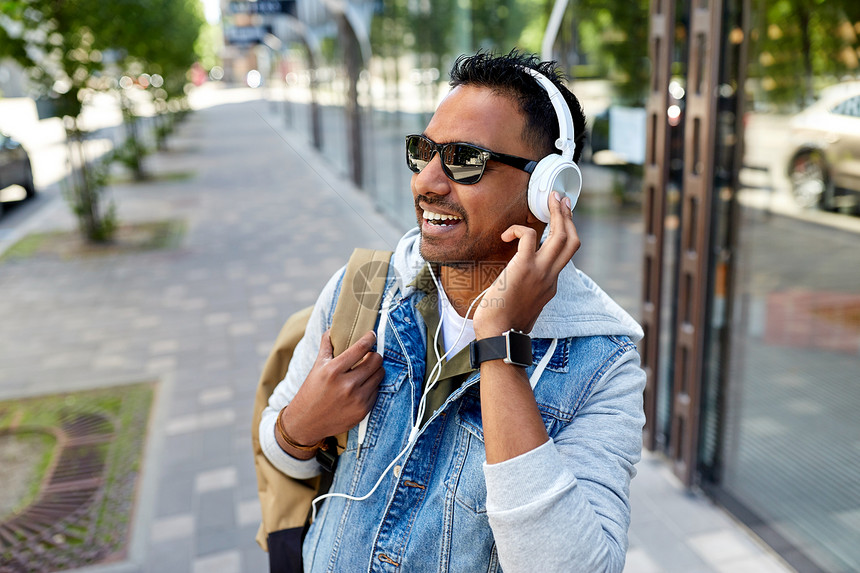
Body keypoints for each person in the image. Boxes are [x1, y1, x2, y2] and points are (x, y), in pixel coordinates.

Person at [260, 50, 645, 572]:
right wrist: (297, 426)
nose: (426, 183)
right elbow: (280, 450)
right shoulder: (367, 287)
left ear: (548, 188)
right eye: (423, 152)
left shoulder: (602, 364)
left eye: (465, 159)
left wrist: (502, 346)